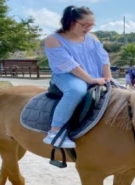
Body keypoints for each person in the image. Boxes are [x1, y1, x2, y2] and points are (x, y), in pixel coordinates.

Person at [42, 5, 111, 148]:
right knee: (76, 90)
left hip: (95, 74)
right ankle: (55, 132)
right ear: (71, 21)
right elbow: (70, 65)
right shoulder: (54, 39)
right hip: (67, 75)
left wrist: (108, 77)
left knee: (120, 90)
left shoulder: (92, 38)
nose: (88, 28)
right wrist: (91, 80)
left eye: (91, 25)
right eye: (84, 25)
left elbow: (104, 58)